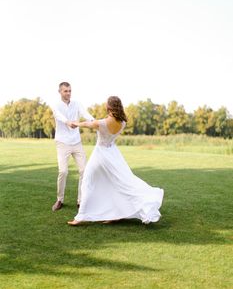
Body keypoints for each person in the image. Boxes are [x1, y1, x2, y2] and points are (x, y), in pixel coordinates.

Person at [67, 96, 164, 225]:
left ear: (109, 107)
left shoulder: (102, 123)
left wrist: (75, 123)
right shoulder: (123, 123)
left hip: (101, 154)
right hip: (113, 153)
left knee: (87, 181)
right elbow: (94, 122)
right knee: (119, 183)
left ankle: (80, 217)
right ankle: (116, 215)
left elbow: (87, 124)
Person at [51, 82, 94, 212]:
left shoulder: (76, 103)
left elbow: (85, 114)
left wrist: (95, 121)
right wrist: (68, 122)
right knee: (63, 171)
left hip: (76, 142)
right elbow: (59, 116)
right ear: (60, 92)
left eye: (70, 91)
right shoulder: (56, 105)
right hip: (62, 143)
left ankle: (81, 201)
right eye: (65, 91)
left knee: (84, 171)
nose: (68, 93)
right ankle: (60, 200)